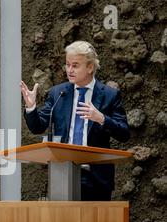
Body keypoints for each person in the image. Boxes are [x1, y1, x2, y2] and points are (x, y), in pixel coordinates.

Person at [21, 41, 129, 201]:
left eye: (75, 65)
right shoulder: (58, 93)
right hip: (63, 175)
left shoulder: (109, 95)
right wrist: (31, 107)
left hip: (96, 178)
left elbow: (124, 133)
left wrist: (101, 118)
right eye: (67, 64)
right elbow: (38, 126)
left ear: (90, 67)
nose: (69, 70)